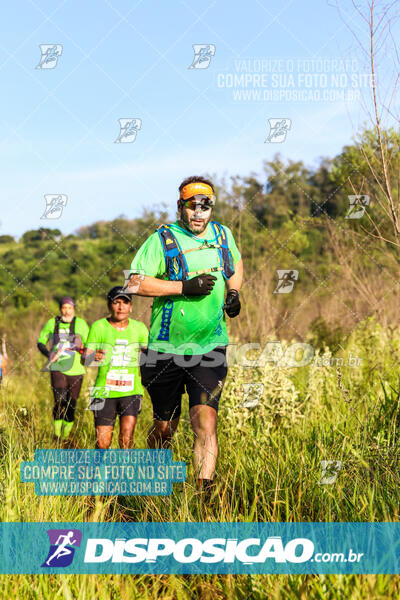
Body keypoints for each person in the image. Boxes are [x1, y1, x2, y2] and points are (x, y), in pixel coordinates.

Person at [126, 175, 243, 492]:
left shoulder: (222, 235)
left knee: (205, 420)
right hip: (164, 349)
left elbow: (235, 266)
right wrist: (183, 287)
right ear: (180, 207)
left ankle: (204, 498)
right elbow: (133, 283)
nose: (198, 214)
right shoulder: (163, 239)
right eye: (192, 207)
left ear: (212, 208)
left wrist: (233, 293)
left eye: (205, 207)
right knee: (165, 427)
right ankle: (154, 482)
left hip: (210, 347)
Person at [82, 286, 148, 449]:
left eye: (125, 303)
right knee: (103, 442)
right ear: (109, 305)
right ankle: (100, 473)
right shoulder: (98, 327)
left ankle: (123, 473)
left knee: (127, 439)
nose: (121, 307)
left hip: (131, 390)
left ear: (131, 307)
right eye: (116, 302)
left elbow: (151, 356)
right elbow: (85, 359)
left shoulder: (139, 328)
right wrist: (92, 357)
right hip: (103, 390)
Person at [37, 296, 89, 440]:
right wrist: (49, 354)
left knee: (71, 404)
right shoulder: (52, 323)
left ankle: (66, 437)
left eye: (70, 308)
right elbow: (40, 341)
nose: (67, 311)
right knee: (59, 400)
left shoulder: (81, 324)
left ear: (74, 309)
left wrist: (82, 348)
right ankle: (57, 435)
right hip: (57, 368)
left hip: (76, 370)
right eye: (64, 308)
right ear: (60, 309)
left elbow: (90, 345)